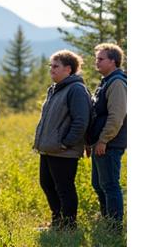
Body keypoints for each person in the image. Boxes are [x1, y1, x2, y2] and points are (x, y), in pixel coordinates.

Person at [33, 50, 91, 231]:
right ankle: (57, 221)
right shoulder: (55, 89)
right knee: (47, 184)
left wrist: (66, 143)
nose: (52, 69)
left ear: (68, 69)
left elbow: (81, 121)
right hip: (50, 149)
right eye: (51, 65)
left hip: (64, 150)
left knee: (64, 188)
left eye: (55, 66)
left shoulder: (76, 89)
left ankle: (69, 225)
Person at [87, 43, 127, 233]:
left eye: (101, 59)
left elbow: (116, 116)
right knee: (99, 184)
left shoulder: (117, 82)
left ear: (113, 61)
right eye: (97, 58)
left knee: (110, 185)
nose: (97, 62)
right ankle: (107, 222)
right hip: (101, 142)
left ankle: (114, 228)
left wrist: (104, 140)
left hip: (110, 143)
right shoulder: (106, 81)